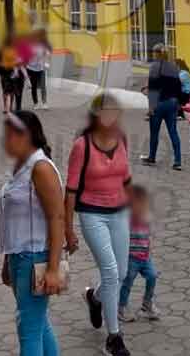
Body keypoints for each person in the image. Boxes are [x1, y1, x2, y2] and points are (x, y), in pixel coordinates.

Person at [65, 93, 133, 356]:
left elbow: (126, 179)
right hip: (92, 213)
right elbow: (70, 190)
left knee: (123, 272)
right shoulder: (82, 145)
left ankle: (94, 298)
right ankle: (114, 337)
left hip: (120, 212)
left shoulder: (122, 140)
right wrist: (68, 230)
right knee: (111, 270)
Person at [0, 111, 66, 356]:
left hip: (35, 257)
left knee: (29, 330)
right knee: (38, 324)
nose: (4, 141)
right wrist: (7, 260)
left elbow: (57, 218)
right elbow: (14, 221)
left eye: (10, 136)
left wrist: (53, 269)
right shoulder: (22, 167)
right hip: (20, 257)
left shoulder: (40, 168)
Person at [117, 185, 159, 322]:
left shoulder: (147, 217)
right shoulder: (126, 219)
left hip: (145, 258)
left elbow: (151, 234)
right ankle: (121, 307)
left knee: (152, 276)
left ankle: (147, 303)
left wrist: (150, 249)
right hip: (131, 258)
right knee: (127, 283)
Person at [142, 45, 183, 170]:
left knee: (154, 132)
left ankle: (152, 157)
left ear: (157, 54)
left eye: (154, 52)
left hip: (159, 104)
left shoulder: (154, 67)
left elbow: (153, 89)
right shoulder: (174, 67)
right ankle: (177, 161)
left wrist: (150, 108)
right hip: (172, 103)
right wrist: (178, 103)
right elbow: (178, 87)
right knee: (173, 132)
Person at [26, 31, 52, 110]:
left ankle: (44, 103)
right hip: (31, 68)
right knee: (33, 87)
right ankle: (36, 103)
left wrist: (47, 62)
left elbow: (48, 54)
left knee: (43, 86)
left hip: (41, 68)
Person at [0, 40, 25, 114]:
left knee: (12, 91)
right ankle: (5, 107)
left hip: (12, 73)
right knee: (5, 90)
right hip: (4, 73)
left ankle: (10, 107)